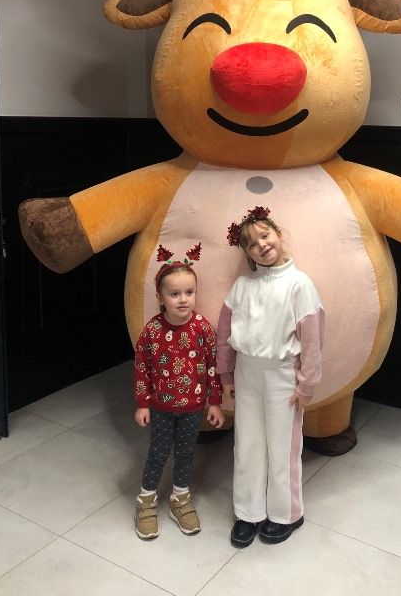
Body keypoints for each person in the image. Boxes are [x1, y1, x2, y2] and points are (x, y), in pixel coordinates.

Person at [217, 207, 324, 548]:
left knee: (282, 446)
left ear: (278, 235)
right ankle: (248, 512)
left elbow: (312, 340)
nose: (261, 245)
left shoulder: (299, 284)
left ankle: (286, 513)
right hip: (247, 373)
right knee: (247, 444)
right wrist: (226, 375)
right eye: (251, 243)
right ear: (247, 253)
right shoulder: (241, 287)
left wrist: (306, 385)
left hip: (282, 376)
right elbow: (224, 335)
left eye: (265, 236)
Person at [133, 246, 224, 540]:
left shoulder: (202, 329)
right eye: (174, 294)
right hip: (160, 407)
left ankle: (180, 499)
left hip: (193, 407)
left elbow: (213, 366)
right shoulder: (151, 331)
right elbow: (142, 369)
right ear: (160, 297)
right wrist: (142, 404)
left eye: (189, 292)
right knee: (158, 453)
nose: (183, 299)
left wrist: (214, 402)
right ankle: (146, 501)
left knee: (185, 453)